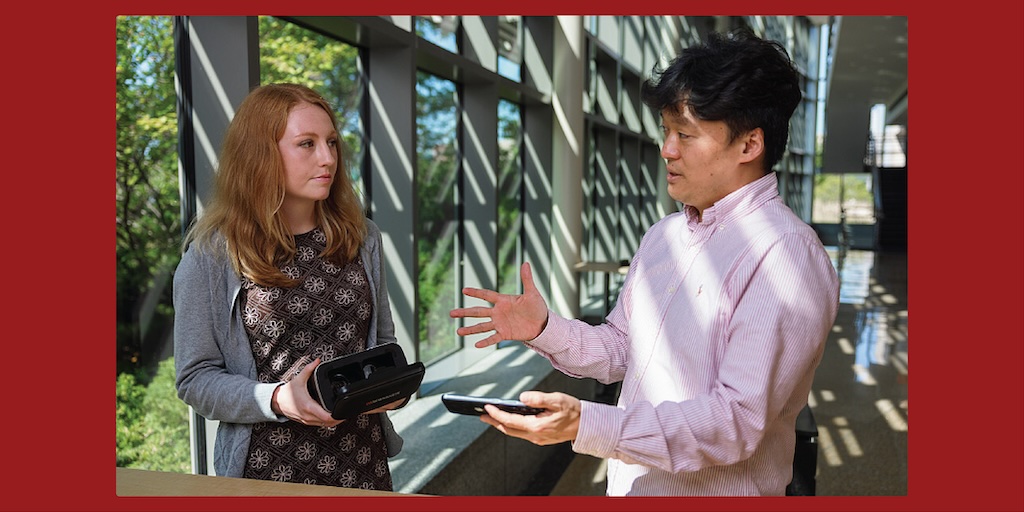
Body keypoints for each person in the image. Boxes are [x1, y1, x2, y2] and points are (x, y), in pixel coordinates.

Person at [449, 29, 840, 496]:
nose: (667, 150)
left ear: (749, 145)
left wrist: (587, 423)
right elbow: (622, 351)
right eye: (666, 132)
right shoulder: (665, 236)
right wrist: (543, 328)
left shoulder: (787, 256)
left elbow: (734, 421)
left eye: (685, 135)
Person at [174, 83, 405, 490]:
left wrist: (389, 388)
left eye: (332, 142)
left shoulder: (362, 237)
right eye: (307, 144)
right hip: (267, 470)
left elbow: (381, 343)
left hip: (362, 461)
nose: (328, 158)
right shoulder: (211, 257)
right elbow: (195, 378)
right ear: (260, 155)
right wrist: (279, 398)